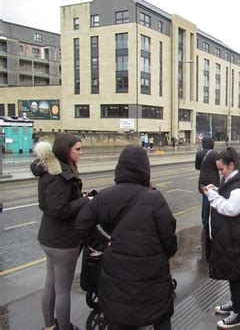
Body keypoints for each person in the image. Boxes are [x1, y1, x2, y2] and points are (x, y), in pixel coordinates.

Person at [76, 145, 177, 330]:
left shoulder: (104, 196)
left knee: (121, 318)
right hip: (152, 276)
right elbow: (169, 239)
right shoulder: (155, 198)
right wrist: (166, 252)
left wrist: (104, 244)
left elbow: (81, 224)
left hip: (116, 275)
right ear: (145, 169)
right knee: (160, 317)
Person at [30, 133, 91, 330]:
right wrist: (84, 201)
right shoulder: (62, 176)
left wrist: (78, 197)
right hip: (63, 241)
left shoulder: (49, 170)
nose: (81, 153)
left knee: (50, 283)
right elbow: (60, 210)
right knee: (62, 290)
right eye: (78, 149)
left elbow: (50, 204)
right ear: (67, 150)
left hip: (48, 237)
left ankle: (49, 326)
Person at [202, 147, 240, 328]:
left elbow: (231, 208)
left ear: (231, 165)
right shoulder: (233, 178)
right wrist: (216, 190)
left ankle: (239, 314)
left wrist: (213, 196)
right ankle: (234, 303)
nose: (220, 173)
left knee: (236, 277)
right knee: (233, 276)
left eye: (221, 169)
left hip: (238, 240)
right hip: (234, 237)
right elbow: (229, 196)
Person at [195, 136, 220, 225]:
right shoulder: (215, 154)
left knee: (205, 199)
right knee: (214, 199)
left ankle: (204, 220)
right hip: (214, 180)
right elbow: (218, 167)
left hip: (203, 179)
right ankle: (213, 219)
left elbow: (197, 167)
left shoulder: (199, 153)